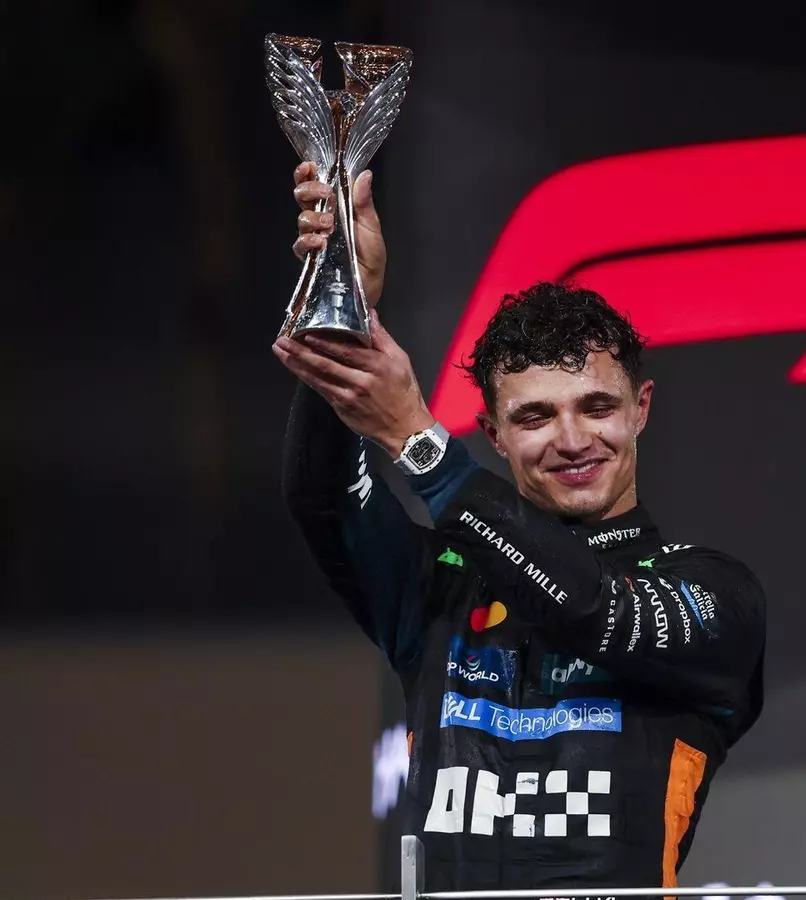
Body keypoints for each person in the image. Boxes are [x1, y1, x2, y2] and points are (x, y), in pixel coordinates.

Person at [273, 162, 766, 892]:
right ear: (496, 436)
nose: (572, 440)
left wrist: (418, 441)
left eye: (596, 407)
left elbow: (590, 607)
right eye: (535, 416)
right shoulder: (437, 587)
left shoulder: (715, 594)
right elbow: (324, 500)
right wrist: (348, 304)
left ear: (641, 409)